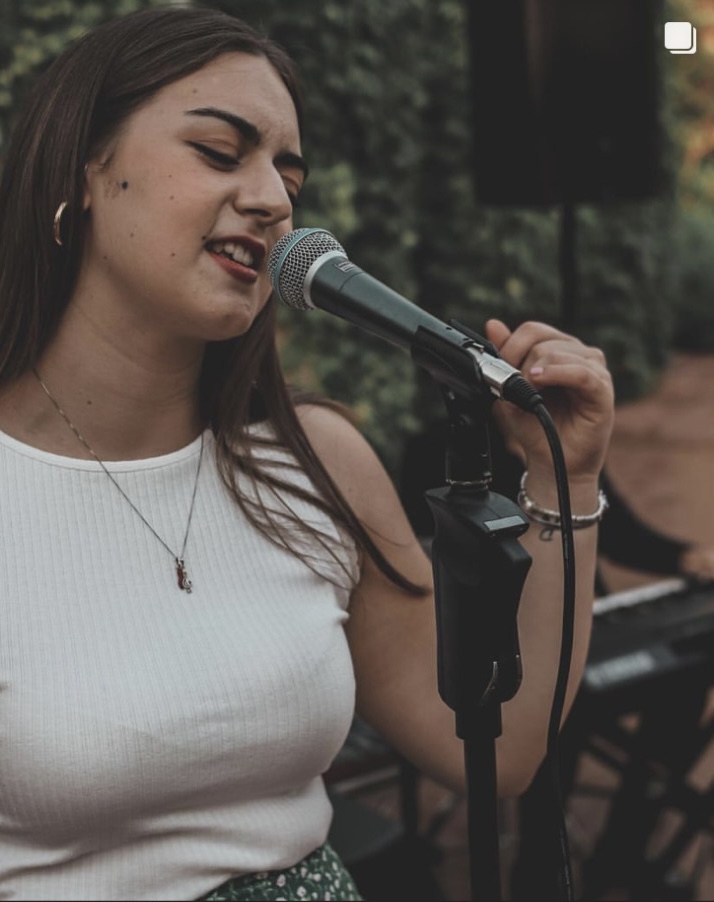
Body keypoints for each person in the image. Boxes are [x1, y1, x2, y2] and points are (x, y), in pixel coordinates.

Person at [0, 6, 615, 901]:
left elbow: (503, 748)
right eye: (220, 152)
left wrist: (568, 478)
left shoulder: (318, 463)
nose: (273, 200)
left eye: (289, 176)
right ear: (83, 169)